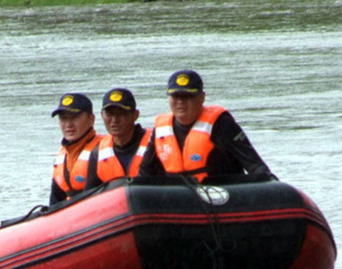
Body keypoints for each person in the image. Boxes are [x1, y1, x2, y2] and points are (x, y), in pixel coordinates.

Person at [135, 70, 276, 184]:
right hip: (176, 201)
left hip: (222, 199)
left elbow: (255, 166)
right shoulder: (161, 129)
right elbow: (145, 173)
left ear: (202, 97)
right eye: (176, 96)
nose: (180, 102)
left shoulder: (221, 123)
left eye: (187, 97)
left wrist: (274, 188)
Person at [82, 88, 152, 189]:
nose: (114, 120)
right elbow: (90, 196)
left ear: (135, 115)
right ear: (102, 116)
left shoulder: (153, 144)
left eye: (121, 113)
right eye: (110, 114)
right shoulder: (97, 154)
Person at [48, 93, 99, 205]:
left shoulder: (103, 150)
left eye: (74, 118)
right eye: (63, 119)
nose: (68, 124)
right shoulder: (61, 158)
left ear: (91, 119)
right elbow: (54, 203)